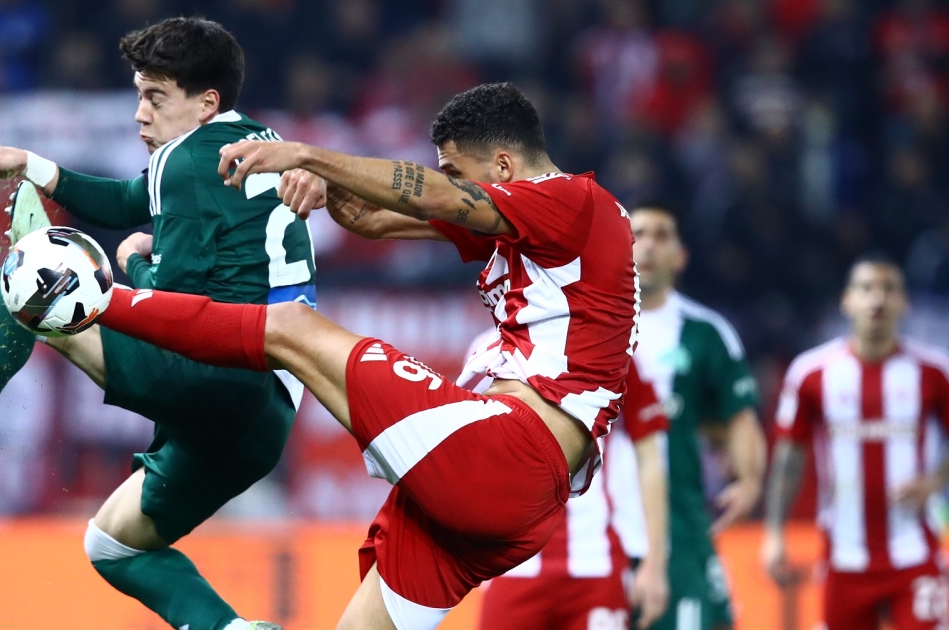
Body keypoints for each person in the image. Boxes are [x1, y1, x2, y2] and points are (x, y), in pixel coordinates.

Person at [88, 82, 639, 629]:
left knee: (292, 327)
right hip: (510, 494)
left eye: (456, 171)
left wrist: (306, 154)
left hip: (510, 450)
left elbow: (434, 195)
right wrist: (325, 184)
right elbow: (372, 219)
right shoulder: (539, 227)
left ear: (502, 166)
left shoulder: (573, 201)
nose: (452, 182)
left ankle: (90, 298)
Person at [0, 18, 314, 630]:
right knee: (113, 545)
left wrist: (137, 262)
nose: (140, 114)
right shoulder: (254, 141)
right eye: (139, 94)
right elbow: (129, 202)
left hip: (212, 371)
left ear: (206, 102)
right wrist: (31, 165)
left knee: (26, 275)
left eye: (156, 97)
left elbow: (178, 310)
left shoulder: (185, 160)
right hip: (267, 413)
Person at [762, 254, 949, 630]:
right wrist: (775, 534)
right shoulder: (811, 373)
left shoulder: (934, 371)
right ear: (846, 301)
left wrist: (934, 481)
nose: (877, 299)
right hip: (844, 556)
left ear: (904, 302)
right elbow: (789, 456)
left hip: (916, 552)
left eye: (888, 289)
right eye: (866, 289)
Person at [629, 204, 767, 630]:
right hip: (595, 526)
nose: (648, 245)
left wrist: (749, 481)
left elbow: (739, 416)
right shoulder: (584, 324)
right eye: (638, 234)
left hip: (680, 523)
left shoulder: (705, 331)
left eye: (661, 235)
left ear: (680, 256)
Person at [477, 357, 671, 630]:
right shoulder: (491, 354)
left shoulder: (617, 355)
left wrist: (655, 564)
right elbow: (474, 456)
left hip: (597, 560)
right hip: (514, 565)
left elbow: (650, 456)